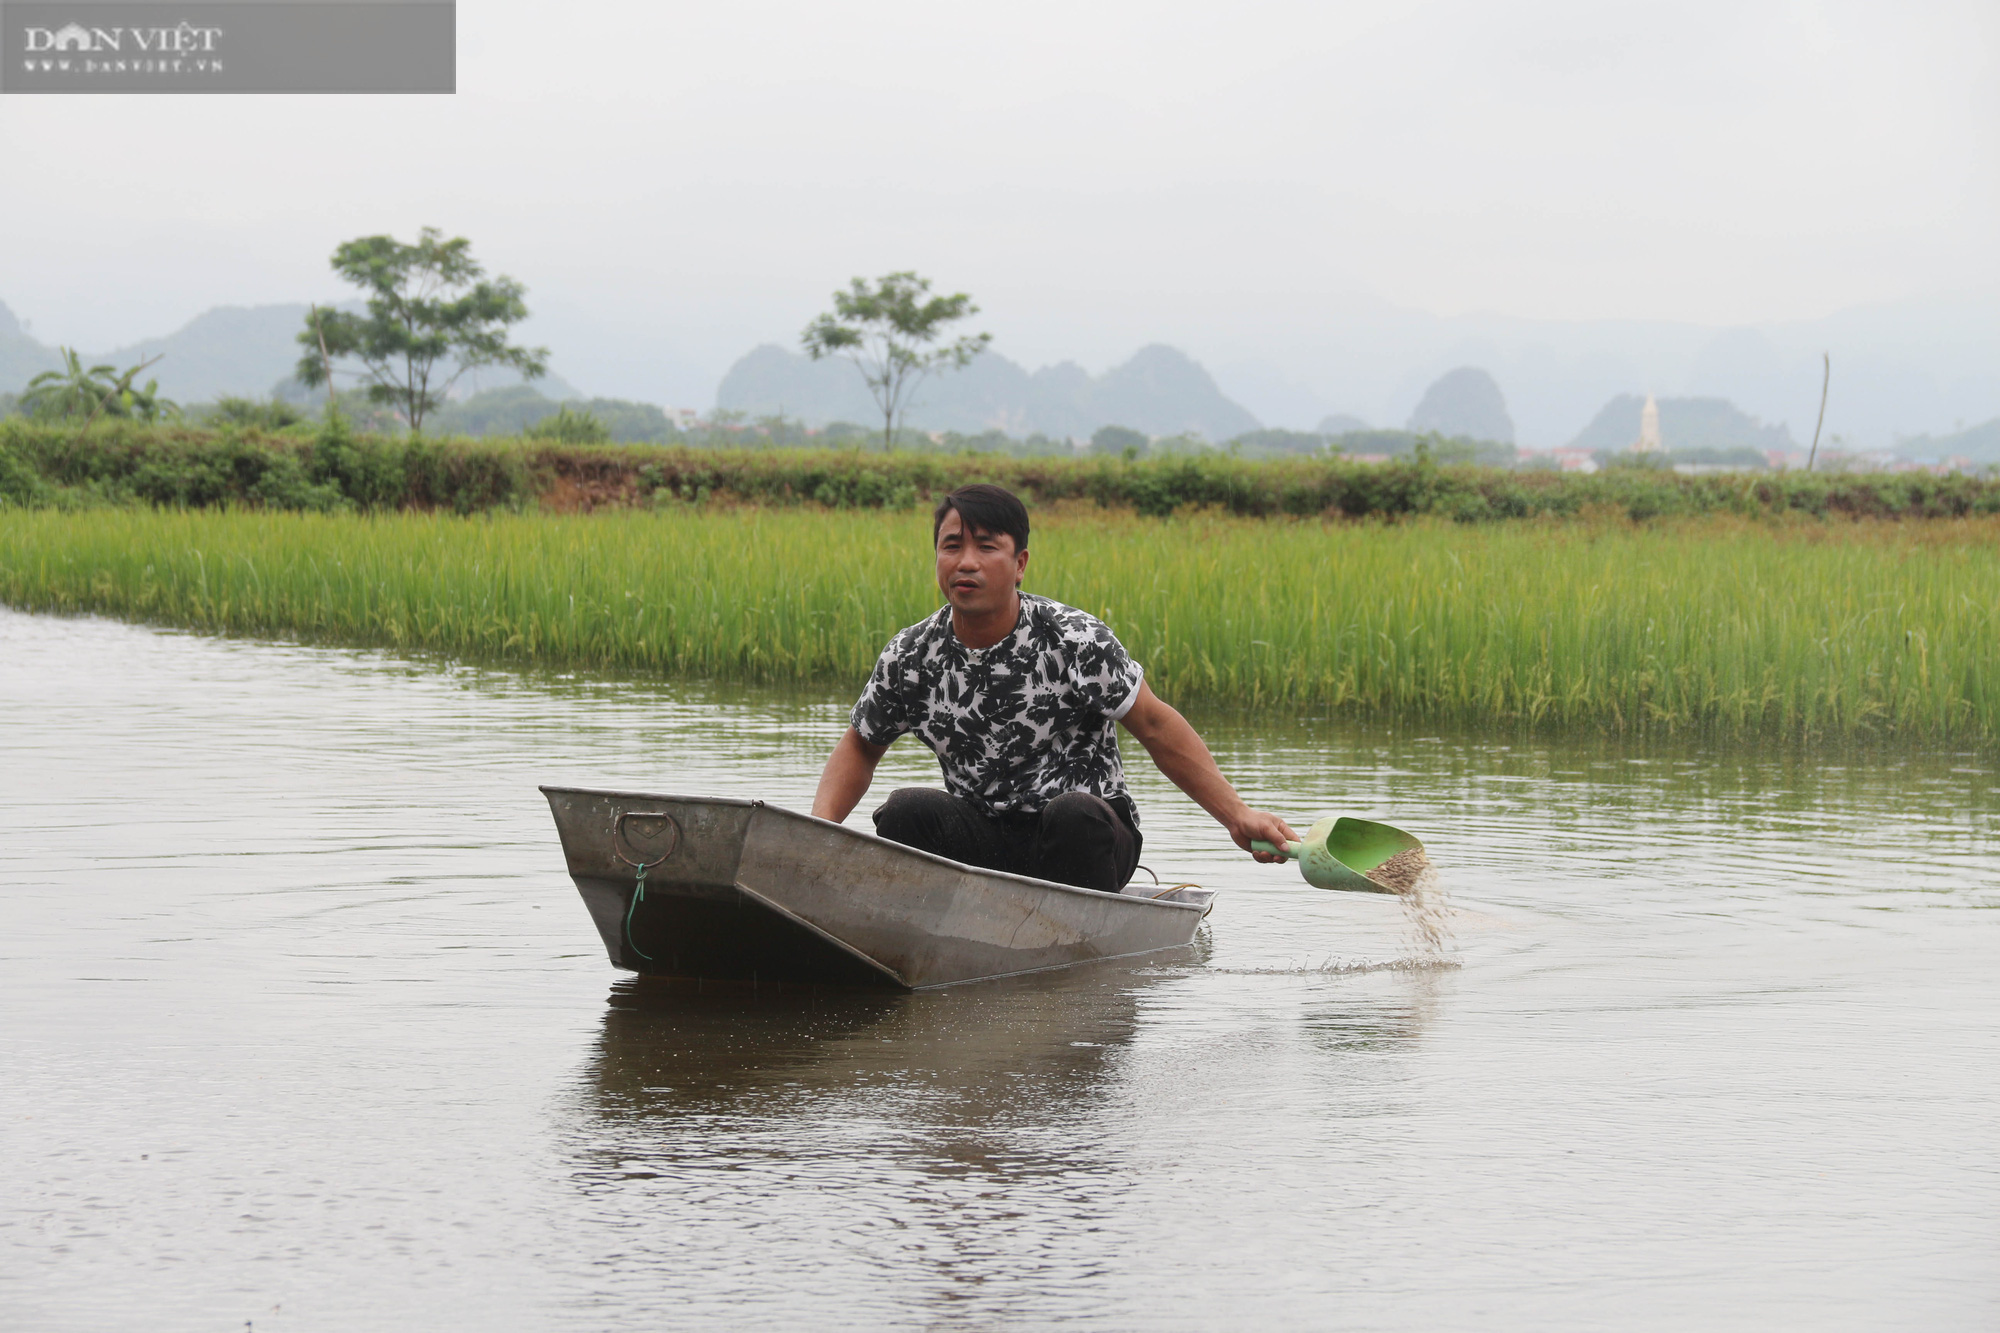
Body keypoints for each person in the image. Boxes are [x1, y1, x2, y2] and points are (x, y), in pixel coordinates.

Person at [810, 483, 1298, 893]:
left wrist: (1237, 815)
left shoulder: (1073, 639)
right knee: (905, 812)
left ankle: (1077, 954)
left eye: (986, 546)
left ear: (1019, 563)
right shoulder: (913, 655)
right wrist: (817, 834)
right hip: (986, 838)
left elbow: (1155, 724)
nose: (966, 562)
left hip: (1086, 837)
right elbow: (861, 744)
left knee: (1072, 815)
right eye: (952, 545)